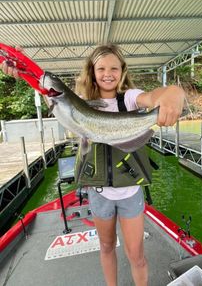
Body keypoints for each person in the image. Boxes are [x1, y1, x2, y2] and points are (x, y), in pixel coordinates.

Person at [0, 44, 185, 286]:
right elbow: (43, 86)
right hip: (99, 194)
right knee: (106, 247)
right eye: (101, 68)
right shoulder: (77, 101)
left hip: (130, 193)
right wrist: (21, 71)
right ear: (92, 71)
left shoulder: (129, 98)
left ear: (122, 71)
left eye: (114, 68)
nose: (108, 73)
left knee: (136, 255)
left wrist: (174, 92)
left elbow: (153, 97)